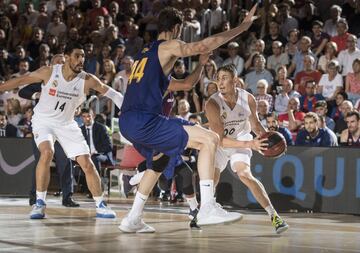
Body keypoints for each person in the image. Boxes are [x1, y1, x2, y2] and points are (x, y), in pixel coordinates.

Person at [118, 5, 258, 233]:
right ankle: (207, 208)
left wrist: (202, 64)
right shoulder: (168, 46)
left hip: (127, 122)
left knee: (160, 162)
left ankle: (133, 218)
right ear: (176, 28)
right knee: (210, 139)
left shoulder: (146, 55)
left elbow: (185, 84)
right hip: (146, 120)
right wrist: (242, 27)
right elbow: (204, 44)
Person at [0, 43, 124, 219]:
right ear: (66, 56)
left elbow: (112, 94)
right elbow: (20, 81)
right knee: (47, 152)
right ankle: (40, 203)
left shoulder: (87, 79)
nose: (81, 60)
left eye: (83, 56)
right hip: (44, 121)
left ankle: (101, 204)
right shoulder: (49, 72)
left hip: (67, 124)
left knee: (87, 163)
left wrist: (127, 107)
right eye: (77, 56)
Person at [205, 65, 289, 234]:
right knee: (212, 178)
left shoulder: (248, 98)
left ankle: (274, 216)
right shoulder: (212, 103)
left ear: (235, 80)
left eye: (224, 78)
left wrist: (269, 141)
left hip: (242, 138)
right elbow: (220, 140)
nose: (220, 82)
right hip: (222, 143)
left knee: (245, 175)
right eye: (218, 78)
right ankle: (203, 212)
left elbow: (256, 126)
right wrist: (251, 145)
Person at [18, 54, 80, 207]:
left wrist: (77, 107)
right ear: (52, 64)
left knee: (65, 162)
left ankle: (67, 197)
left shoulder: (72, 82)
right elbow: (22, 92)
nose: (61, 65)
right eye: (58, 62)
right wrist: (38, 94)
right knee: (41, 161)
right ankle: (34, 197)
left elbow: (77, 100)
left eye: (63, 62)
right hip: (43, 126)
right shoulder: (44, 79)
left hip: (62, 128)